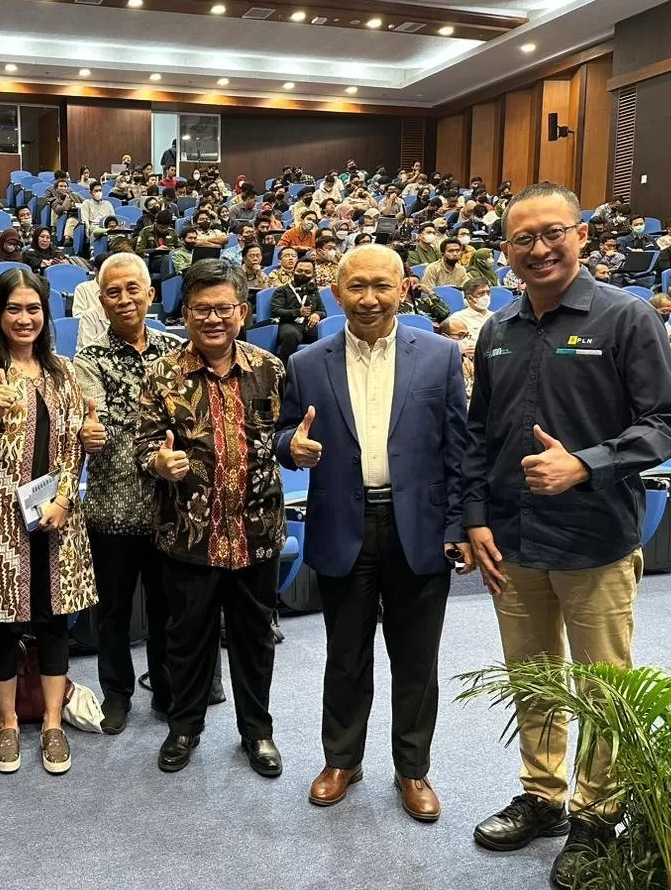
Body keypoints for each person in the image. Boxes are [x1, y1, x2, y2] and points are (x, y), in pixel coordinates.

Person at [462, 183, 671, 890]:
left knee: (601, 686)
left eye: (552, 233)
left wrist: (584, 465)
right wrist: (474, 517)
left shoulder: (625, 318)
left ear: (581, 236)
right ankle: (542, 795)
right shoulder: (497, 330)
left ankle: (597, 814)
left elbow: (668, 423)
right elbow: (478, 434)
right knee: (532, 679)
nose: (539, 248)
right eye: (522, 239)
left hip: (596, 536)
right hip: (513, 539)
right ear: (507, 252)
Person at [276, 244, 470, 822]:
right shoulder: (307, 362)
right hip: (344, 524)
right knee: (346, 654)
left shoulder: (438, 356)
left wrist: (459, 524)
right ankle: (342, 759)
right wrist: (293, 447)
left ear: (403, 288)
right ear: (336, 292)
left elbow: (459, 450)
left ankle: (412, 769)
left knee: (416, 660)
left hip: (420, 527)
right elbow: (284, 432)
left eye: (381, 286)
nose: (369, 298)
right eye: (356, 286)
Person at [134, 259, 287, 778]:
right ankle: (184, 726)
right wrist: (158, 460)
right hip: (188, 535)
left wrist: (297, 449)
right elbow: (141, 444)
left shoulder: (271, 368)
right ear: (185, 312)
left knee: (254, 640)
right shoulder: (162, 373)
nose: (213, 318)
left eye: (224, 308)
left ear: (243, 312)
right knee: (187, 638)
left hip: (256, 531)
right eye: (202, 309)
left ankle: (257, 732)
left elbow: (285, 438)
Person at [0, 269, 97, 774]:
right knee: (4, 624)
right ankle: (8, 723)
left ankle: (53, 722)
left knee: (56, 621)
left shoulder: (63, 372)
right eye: (14, 309)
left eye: (33, 309)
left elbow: (76, 445)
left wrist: (63, 499)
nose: (25, 318)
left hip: (55, 517)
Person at [73, 253, 183, 733]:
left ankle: (165, 687)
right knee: (113, 612)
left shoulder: (175, 352)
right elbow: (107, 428)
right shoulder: (89, 360)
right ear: (101, 300)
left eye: (132, 289)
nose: (124, 299)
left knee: (166, 609)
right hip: (111, 508)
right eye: (113, 292)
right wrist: (95, 434)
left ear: (150, 293)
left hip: (168, 508)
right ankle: (116, 692)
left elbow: (185, 420)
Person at [270, 256, 326, 359]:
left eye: (307, 272)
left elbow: (323, 311)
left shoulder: (313, 292)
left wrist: (317, 314)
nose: (302, 274)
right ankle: (285, 371)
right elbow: (276, 311)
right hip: (289, 324)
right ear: (293, 271)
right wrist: (298, 312)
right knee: (289, 335)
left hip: (309, 326)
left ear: (313, 275)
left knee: (329, 335)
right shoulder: (282, 291)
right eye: (299, 271)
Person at [438, 316, 476, 402]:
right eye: (460, 335)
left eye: (467, 335)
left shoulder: (467, 362)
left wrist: (476, 360)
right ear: (445, 337)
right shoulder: (437, 365)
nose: (465, 340)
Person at [448, 277, 495, 343]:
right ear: (470, 298)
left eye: (488, 292)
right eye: (481, 293)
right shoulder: (457, 318)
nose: (486, 296)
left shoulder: (496, 316)